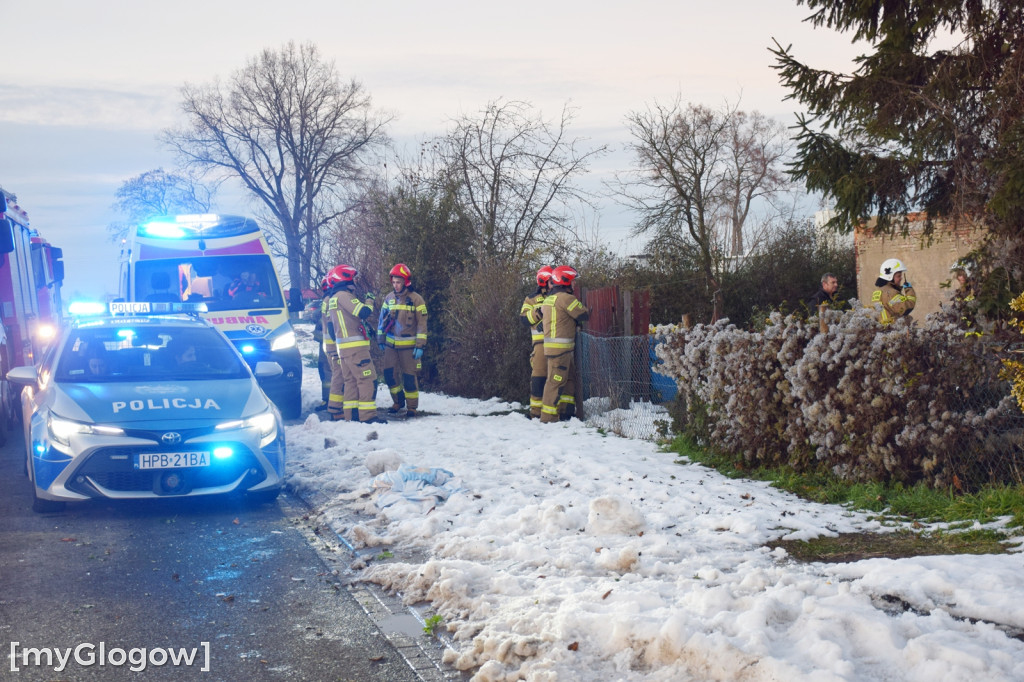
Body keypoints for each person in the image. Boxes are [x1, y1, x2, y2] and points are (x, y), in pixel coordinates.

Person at [327, 264, 385, 424]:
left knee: (351, 381)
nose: (355, 282)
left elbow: (332, 328)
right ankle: (368, 417)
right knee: (368, 379)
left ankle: (351, 417)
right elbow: (364, 312)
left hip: (344, 350)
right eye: (353, 279)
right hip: (356, 349)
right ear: (346, 279)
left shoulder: (332, 299)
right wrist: (370, 300)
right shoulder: (344, 296)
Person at [538, 265, 589, 423]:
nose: (574, 285)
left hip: (555, 349)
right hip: (561, 350)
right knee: (555, 382)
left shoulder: (549, 299)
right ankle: (548, 417)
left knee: (568, 379)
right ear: (566, 281)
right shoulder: (567, 299)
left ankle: (566, 411)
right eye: (573, 282)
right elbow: (583, 314)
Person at [377, 263, 428, 418]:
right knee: (389, 374)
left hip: (409, 347)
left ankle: (412, 407)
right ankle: (398, 402)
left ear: (406, 282)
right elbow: (381, 320)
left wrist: (420, 345)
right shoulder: (389, 298)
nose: (395, 285)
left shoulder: (416, 300)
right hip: (391, 345)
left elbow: (422, 324)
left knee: (409, 378)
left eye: (398, 282)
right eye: (393, 282)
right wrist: (380, 339)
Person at [521, 265, 554, 418]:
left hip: (556, 343)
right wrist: (538, 313)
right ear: (544, 281)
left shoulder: (557, 296)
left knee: (557, 378)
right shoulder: (531, 299)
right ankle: (535, 412)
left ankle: (557, 411)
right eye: (551, 280)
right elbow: (524, 319)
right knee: (539, 377)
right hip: (540, 344)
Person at [871, 258, 916, 325]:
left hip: (882, 330)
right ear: (890, 277)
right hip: (893, 329)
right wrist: (909, 290)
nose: (901, 278)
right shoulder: (891, 293)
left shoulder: (878, 291)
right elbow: (906, 308)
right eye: (898, 276)